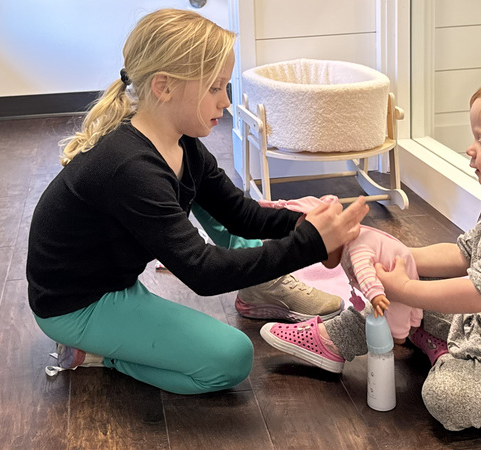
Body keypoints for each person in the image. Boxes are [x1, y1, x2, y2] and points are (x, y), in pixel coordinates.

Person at [26, 9, 368, 395]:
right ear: (164, 87)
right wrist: (310, 244)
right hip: (75, 305)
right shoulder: (130, 167)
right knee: (231, 359)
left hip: (110, 283)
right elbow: (203, 272)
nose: (225, 101)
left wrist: (305, 222)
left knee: (224, 349)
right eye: (214, 88)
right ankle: (93, 355)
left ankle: (109, 342)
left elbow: (241, 215)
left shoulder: (183, 143)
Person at [260, 72, 481, 430]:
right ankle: (336, 340)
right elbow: (464, 254)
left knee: (444, 396)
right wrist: (398, 257)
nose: (471, 148)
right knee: (407, 282)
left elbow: (480, 292)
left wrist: (403, 289)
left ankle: (454, 359)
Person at [259, 195, 423, 342]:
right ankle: (416, 322)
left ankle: (399, 335)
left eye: (322, 253)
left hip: (395, 269)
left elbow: (365, 272)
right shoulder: (346, 242)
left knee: (398, 306)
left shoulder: (356, 250)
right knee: (413, 303)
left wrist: (375, 295)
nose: (320, 260)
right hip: (402, 258)